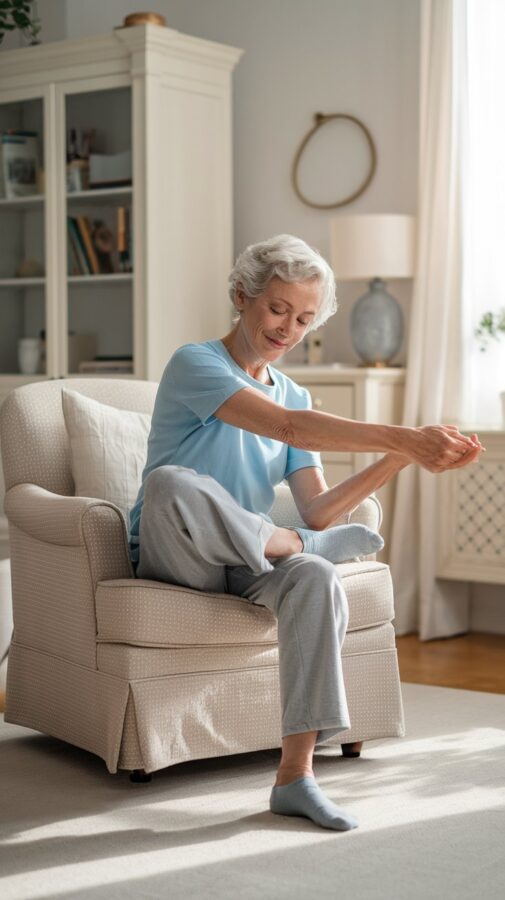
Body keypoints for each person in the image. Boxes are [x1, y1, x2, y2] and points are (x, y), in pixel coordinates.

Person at [128, 234, 483, 832]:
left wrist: (402, 459)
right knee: (169, 483)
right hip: (178, 550)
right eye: (277, 308)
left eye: (304, 318)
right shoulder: (197, 364)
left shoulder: (295, 390)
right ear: (243, 296)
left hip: (249, 559)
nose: (288, 328)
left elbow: (318, 510)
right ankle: (288, 546)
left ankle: (296, 778)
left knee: (316, 573)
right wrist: (401, 435)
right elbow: (289, 428)